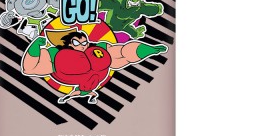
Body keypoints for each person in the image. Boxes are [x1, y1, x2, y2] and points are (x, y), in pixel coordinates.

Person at [22, 28, 167, 104]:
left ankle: (151, 50)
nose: (82, 45)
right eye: (77, 42)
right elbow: (29, 68)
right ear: (68, 44)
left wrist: (149, 50)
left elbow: (124, 52)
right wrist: (35, 46)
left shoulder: (96, 49)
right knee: (79, 93)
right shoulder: (56, 54)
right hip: (84, 85)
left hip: (95, 76)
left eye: (84, 42)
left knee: (122, 56)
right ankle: (76, 97)